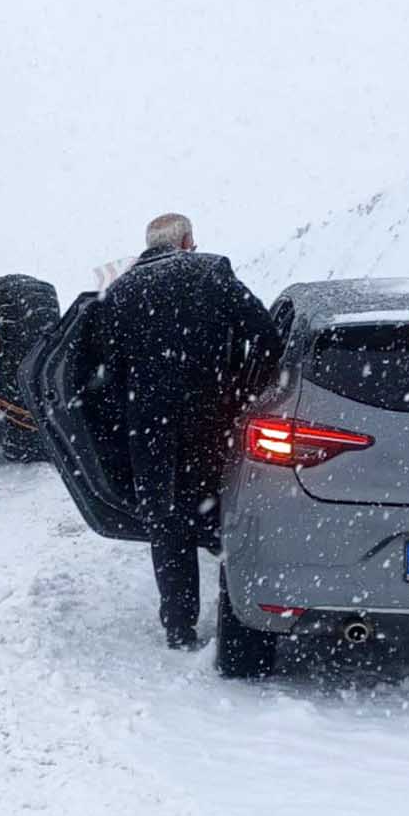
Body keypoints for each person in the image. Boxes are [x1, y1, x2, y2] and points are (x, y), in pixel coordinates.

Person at [101, 213, 283, 649]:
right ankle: (240, 620)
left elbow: (108, 373)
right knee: (226, 516)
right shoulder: (211, 271)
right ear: (184, 242)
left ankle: (178, 626)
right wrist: (241, 387)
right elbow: (265, 336)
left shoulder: (121, 289)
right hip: (211, 420)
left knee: (168, 525)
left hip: (149, 430)